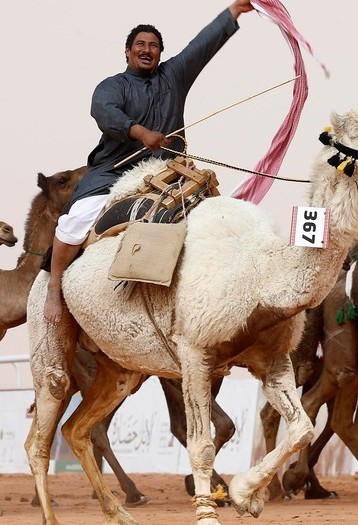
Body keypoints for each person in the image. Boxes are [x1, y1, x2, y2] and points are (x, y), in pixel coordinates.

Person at [44, 0, 254, 323]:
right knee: (75, 222)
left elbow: (201, 45)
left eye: (153, 46)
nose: (147, 49)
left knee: (216, 219)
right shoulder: (112, 86)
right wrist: (140, 132)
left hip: (170, 171)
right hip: (116, 171)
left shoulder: (174, 75)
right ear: (127, 51)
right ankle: (54, 288)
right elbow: (103, 110)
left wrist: (234, 11)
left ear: (160, 53)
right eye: (140, 44)